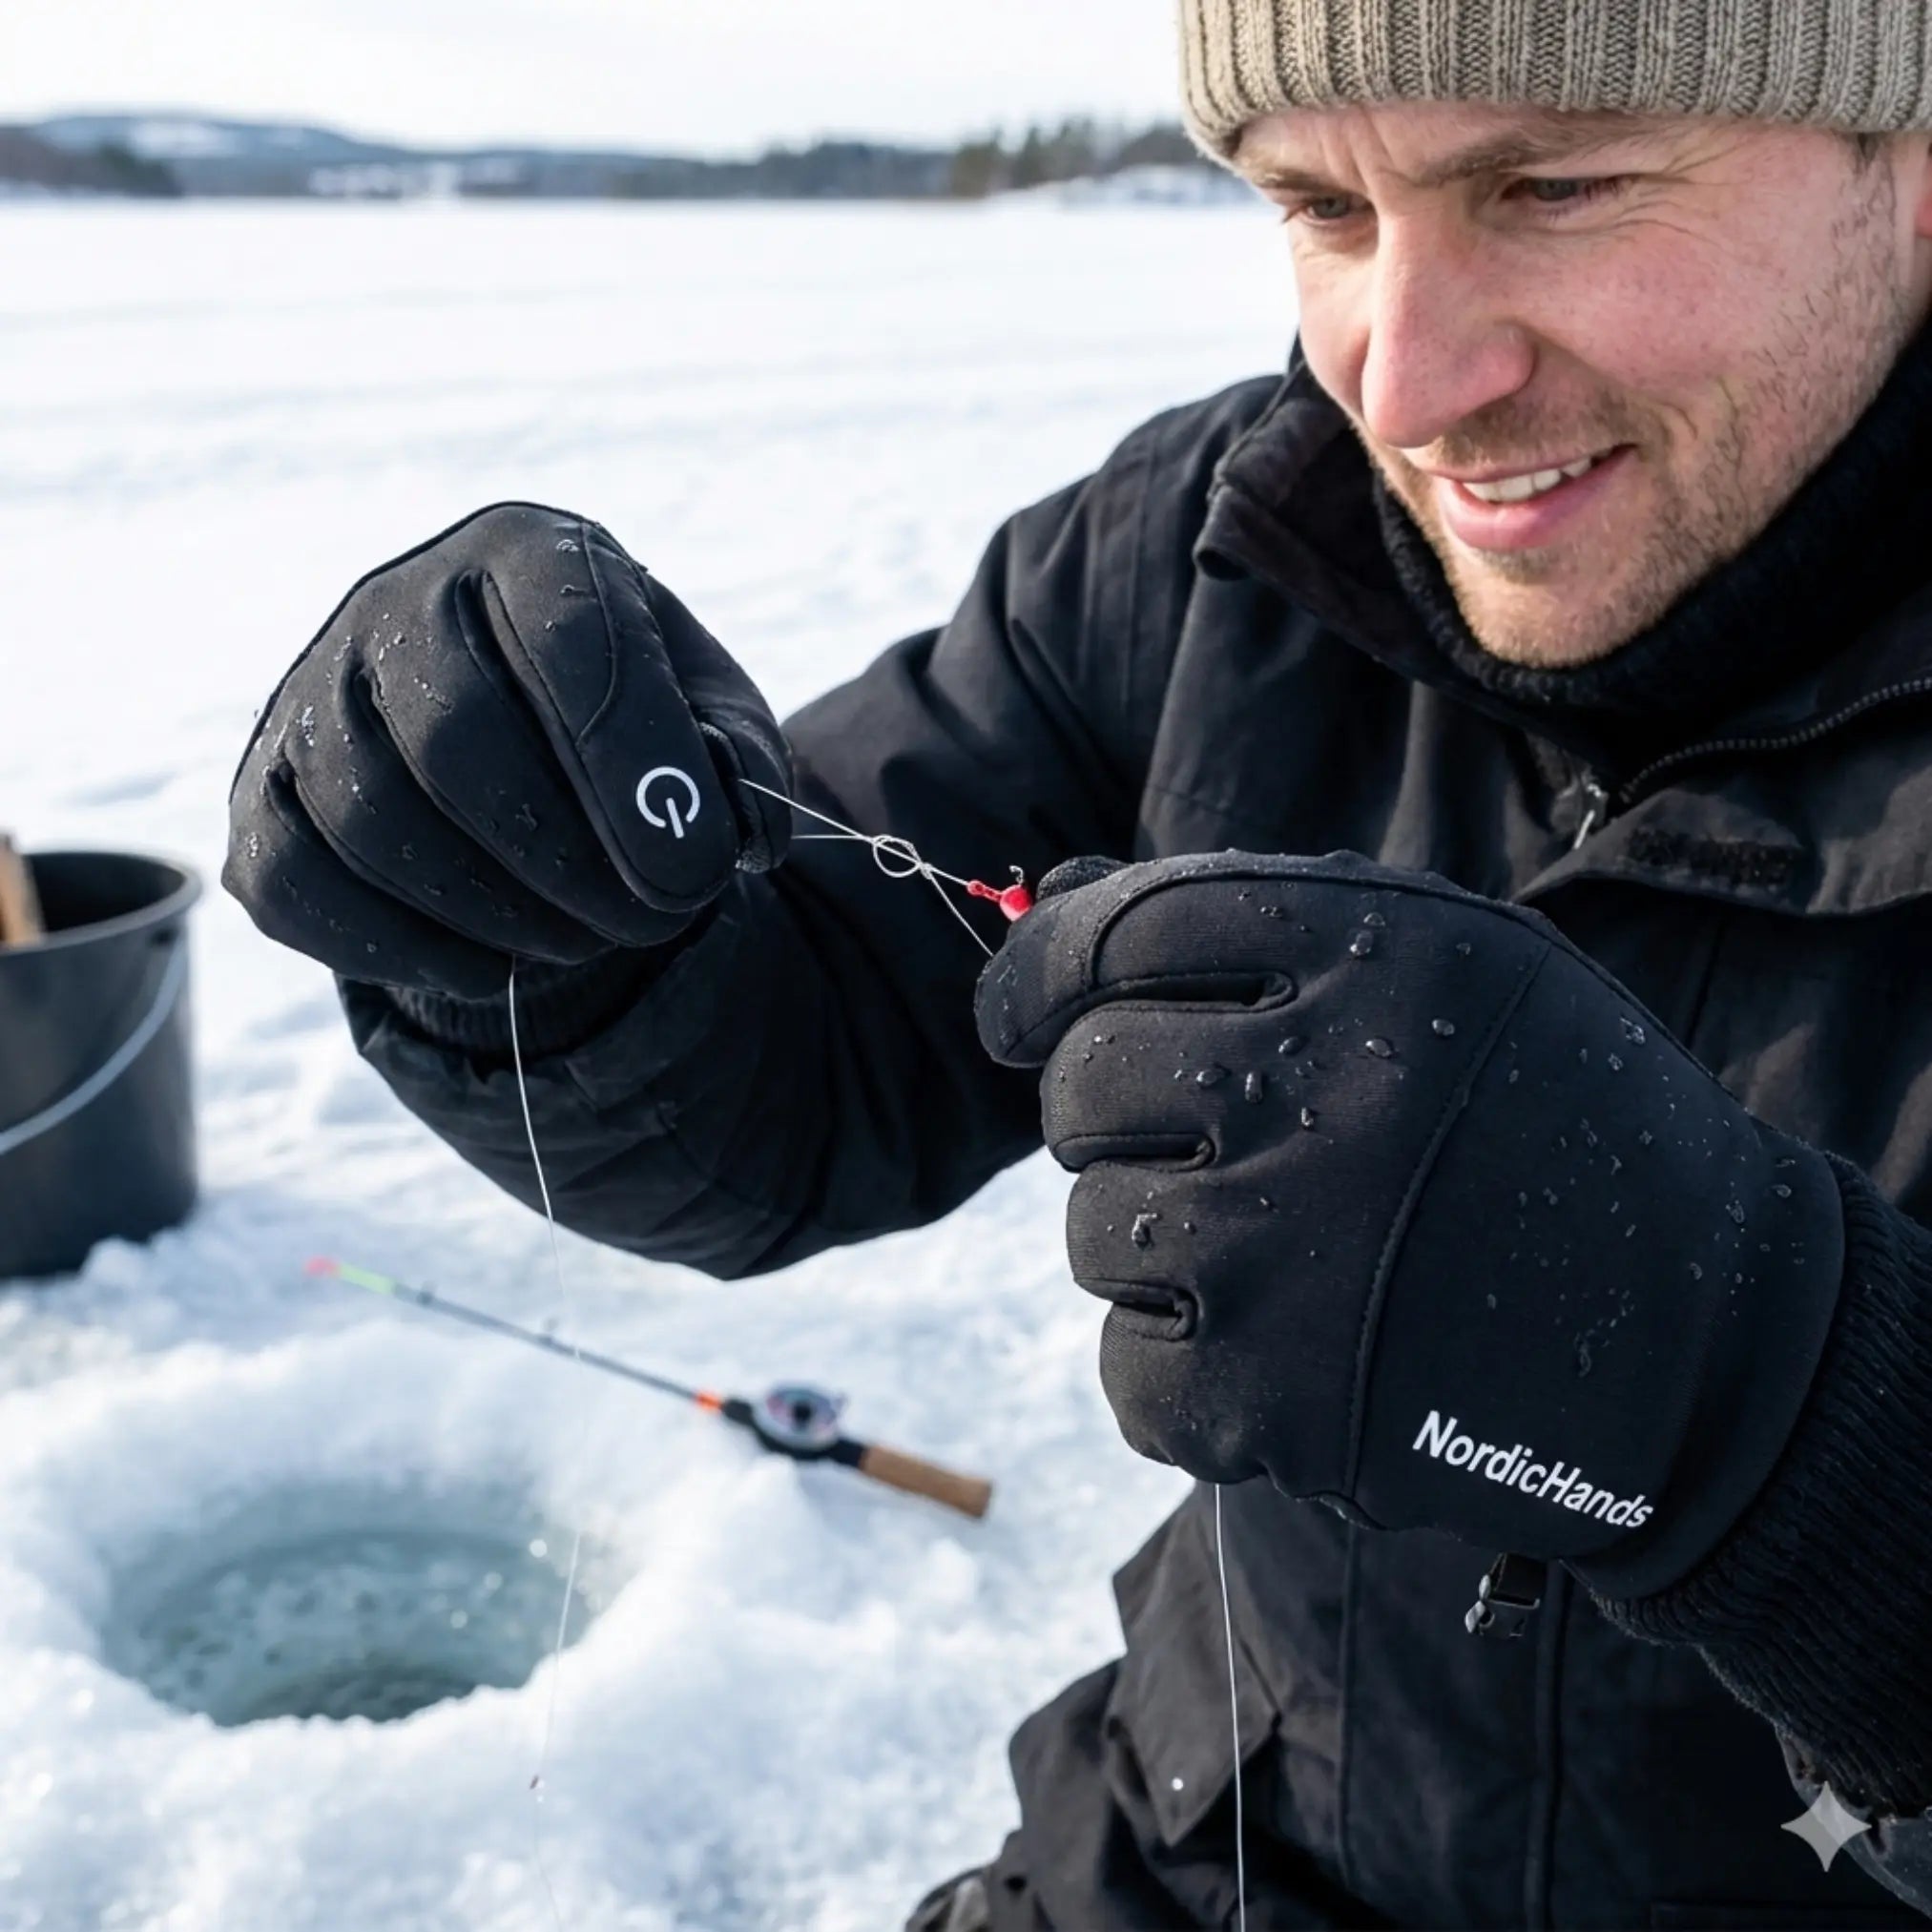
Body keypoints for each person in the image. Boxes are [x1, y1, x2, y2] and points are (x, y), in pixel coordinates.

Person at [226, 2, 1932, 1923]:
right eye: (1315, 206)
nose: (1402, 376)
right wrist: (518, 906)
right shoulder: (1226, 545)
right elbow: (800, 1064)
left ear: (1904, 152)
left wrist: (1769, 1403)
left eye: (1549, 185)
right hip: (1198, 1855)